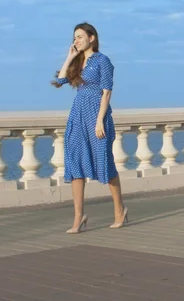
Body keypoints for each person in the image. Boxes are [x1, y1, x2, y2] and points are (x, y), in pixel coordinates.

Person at [51, 22, 128, 234]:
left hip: (97, 116)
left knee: (105, 162)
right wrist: (69, 57)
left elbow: (107, 92)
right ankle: (78, 217)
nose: (76, 40)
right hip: (78, 115)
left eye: (80, 36)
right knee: (75, 161)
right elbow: (60, 80)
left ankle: (119, 210)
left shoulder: (103, 61)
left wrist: (100, 120)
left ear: (91, 38)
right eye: (74, 37)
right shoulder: (77, 61)